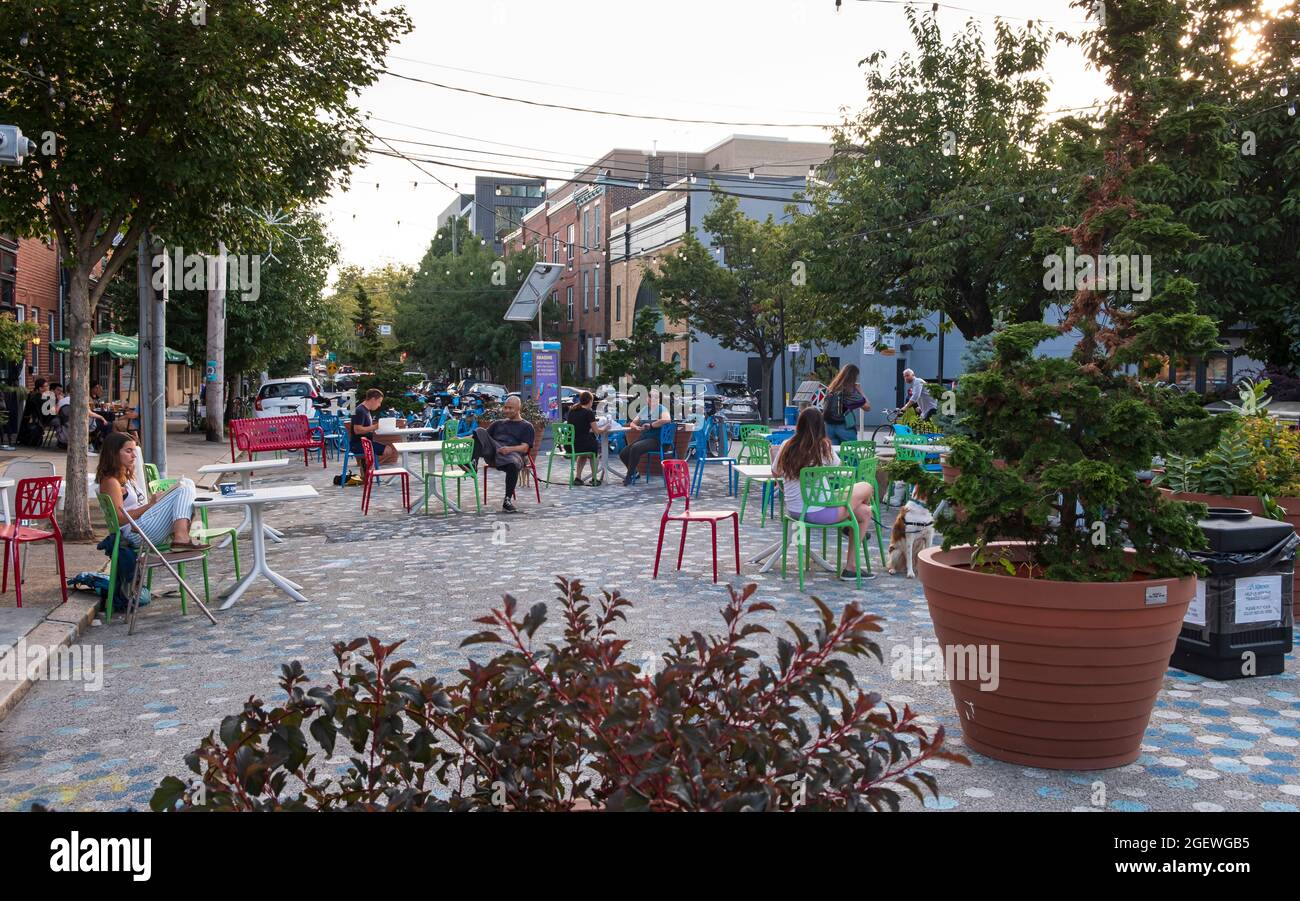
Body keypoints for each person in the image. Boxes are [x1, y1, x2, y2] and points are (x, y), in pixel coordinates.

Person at [771, 407, 876, 581]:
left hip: (796, 512)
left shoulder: (786, 445)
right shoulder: (823, 447)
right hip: (821, 513)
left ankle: (851, 568)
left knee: (865, 512)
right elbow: (841, 471)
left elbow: (775, 473)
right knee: (865, 486)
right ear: (821, 426)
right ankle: (846, 525)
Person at [96, 431, 206, 550]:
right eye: (128, 451)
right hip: (134, 534)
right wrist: (150, 505)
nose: (134, 455)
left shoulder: (124, 476)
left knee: (187, 482)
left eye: (134, 450)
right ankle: (181, 536)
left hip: (141, 526)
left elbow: (135, 506)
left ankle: (180, 535)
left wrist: (156, 501)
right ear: (113, 454)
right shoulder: (111, 481)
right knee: (184, 489)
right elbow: (119, 519)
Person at [470, 395, 535, 513]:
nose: (507, 410)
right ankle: (472, 464)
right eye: (505, 407)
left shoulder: (527, 426)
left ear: (518, 408)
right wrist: (459, 438)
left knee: (513, 463)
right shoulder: (498, 423)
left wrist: (509, 449)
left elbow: (525, 448)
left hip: (512, 455)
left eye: (510, 408)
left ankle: (507, 500)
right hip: (494, 452)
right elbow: (480, 437)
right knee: (480, 431)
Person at [618, 390, 671, 486]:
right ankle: (635, 473)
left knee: (635, 447)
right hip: (645, 438)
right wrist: (636, 427)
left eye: (656, 397)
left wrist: (651, 425)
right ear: (647, 398)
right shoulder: (645, 409)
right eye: (651, 396)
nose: (653, 398)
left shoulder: (662, 409)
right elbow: (633, 422)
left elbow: (666, 419)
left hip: (658, 441)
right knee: (623, 453)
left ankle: (628, 477)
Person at [349, 389, 399, 472]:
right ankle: (369, 469)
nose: (379, 405)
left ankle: (368, 468)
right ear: (373, 399)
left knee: (388, 449)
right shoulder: (360, 411)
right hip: (358, 444)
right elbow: (357, 430)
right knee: (388, 450)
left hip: (364, 442)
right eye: (379, 402)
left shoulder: (365, 410)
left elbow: (365, 428)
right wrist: (376, 427)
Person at [565, 390, 607, 486]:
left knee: (585, 450)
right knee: (594, 449)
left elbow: (578, 426)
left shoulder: (572, 410)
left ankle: (578, 478)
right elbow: (597, 431)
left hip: (569, 445)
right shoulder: (589, 413)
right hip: (580, 444)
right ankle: (594, 478)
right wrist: (606, 427)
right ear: (590, 401)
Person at [821, 364, 870, 444]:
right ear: (853, 377)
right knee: (850, 453)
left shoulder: (831, 388)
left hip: (828, 426)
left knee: (833, 454)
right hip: (844, 427)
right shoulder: (850, 391)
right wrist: (860, 390)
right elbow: (867, 407)